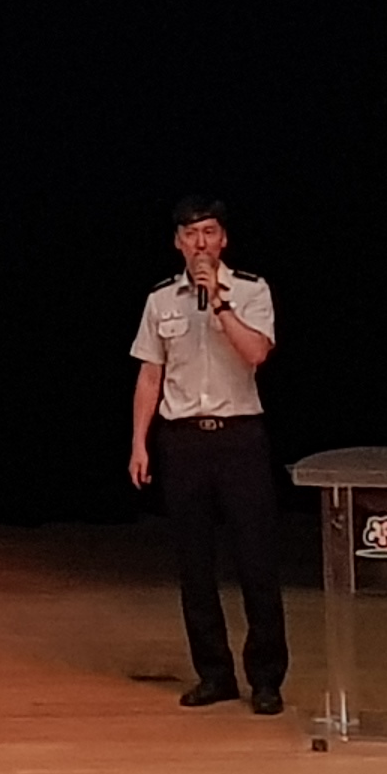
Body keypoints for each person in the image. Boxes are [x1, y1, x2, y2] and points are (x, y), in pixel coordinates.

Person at [126, 195, 286, 714]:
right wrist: (139, 443)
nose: (200, 243)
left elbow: (256, 353)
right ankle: (214, 674)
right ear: (177, 242)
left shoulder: (252, 290)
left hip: (239, 437)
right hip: (183, 440)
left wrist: (219, 302)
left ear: (224, 239)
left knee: (256, 561)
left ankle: (266, 679)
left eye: (209, 233)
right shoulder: (161, 300)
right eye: (191, 234)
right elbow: (149, 374)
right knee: (194, 565)